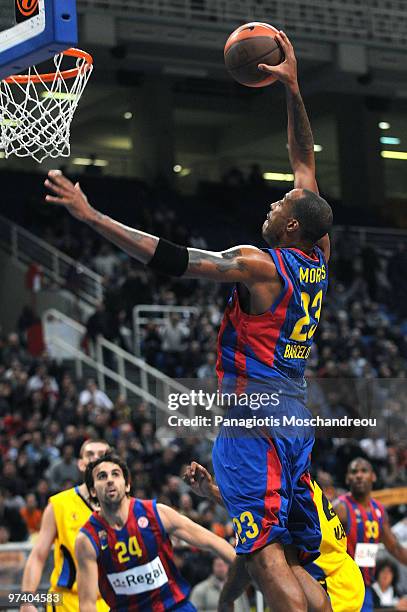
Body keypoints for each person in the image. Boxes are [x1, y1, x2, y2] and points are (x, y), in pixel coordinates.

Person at [44, 30, 332, 612]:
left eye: (278, 206)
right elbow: (304, 163)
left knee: (262, 553)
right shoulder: (319, 254)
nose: (271, 205)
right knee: (298, 557)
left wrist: (92, 215)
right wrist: (293, 89)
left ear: (293, 227)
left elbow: (173, 259)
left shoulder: (260, 265)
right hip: (294, 416)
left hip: (253, 421)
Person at [184, 461, 364, 612]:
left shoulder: (275, 490)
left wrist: (226, 600)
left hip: (332, 587)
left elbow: (252, 556)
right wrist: (210, 491)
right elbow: (254, 505)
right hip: (342, 578)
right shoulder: (292, 478)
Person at [76, 453, 236, 611]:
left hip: (174, 607)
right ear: (92, 491)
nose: (110, 480)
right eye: (102, 476)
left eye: (115, 474)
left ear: (127, 485)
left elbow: (215, 543)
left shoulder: (157, 513)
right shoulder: (87, 539)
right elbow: (88, 603)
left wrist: (252, 573)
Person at [20, 439, 110, 612]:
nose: (96, 458)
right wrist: (26, 600)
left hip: (109, 602)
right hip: (66, 602)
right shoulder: (59, 504)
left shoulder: (123, 506)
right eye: (90, 454)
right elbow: (38, 555)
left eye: (102, 454)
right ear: (81, 463)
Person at [335, 458, 407, 612]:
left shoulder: (379, 511)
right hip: (340, 587)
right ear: (347, 478)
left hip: (364, 587)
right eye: (354, 472)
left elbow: (394, 547)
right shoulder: (340, 508)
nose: (359, 475)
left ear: (373, 476)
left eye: (364, 471)